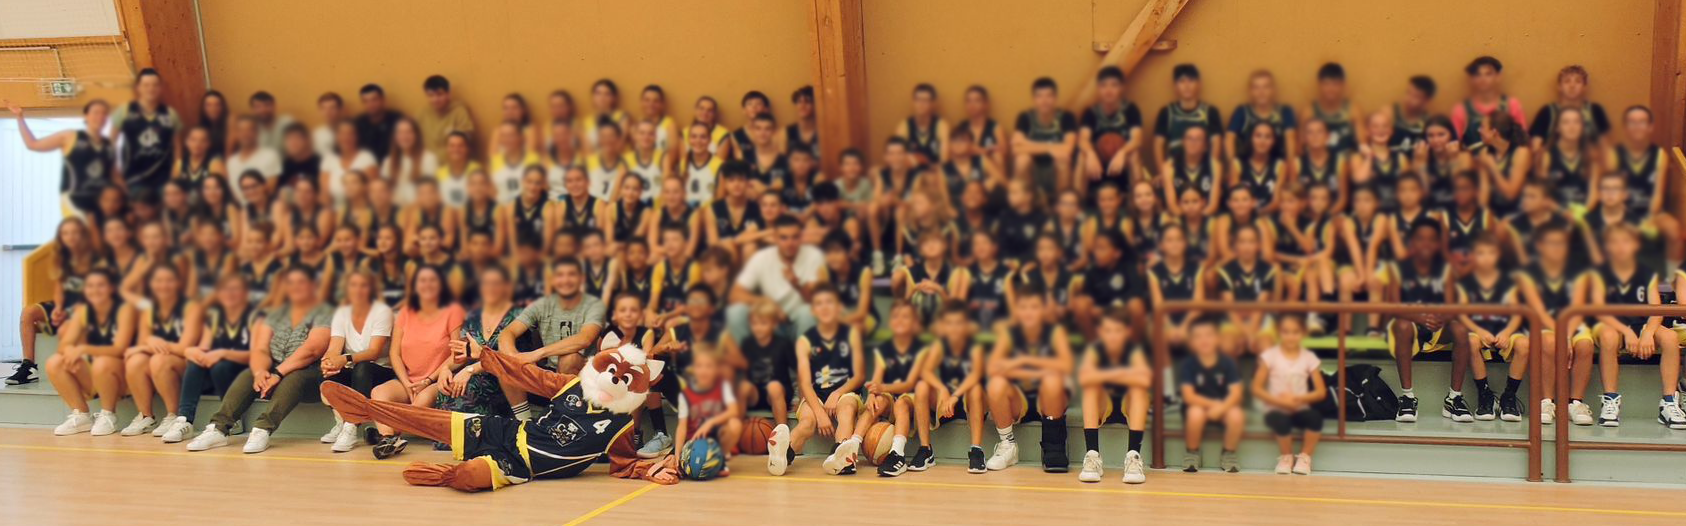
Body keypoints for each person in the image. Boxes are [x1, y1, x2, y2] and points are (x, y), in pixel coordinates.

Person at [185, 266, 333, 453]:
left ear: (313, 286)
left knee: (295, 377)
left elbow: (312, 350)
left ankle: (262, 429)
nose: (295, 287)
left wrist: (278, 373)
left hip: (311, 376)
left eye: (301, 282)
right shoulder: (277, 313)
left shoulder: (325, 312)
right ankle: (218, 429)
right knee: (248, 374)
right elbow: (261, 348)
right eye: (290, 283)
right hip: (276, 371)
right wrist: (260, 372)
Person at [1589, 224, 1685, 428]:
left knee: (1670, 338)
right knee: (1609, 337)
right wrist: (1627, 333)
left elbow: (1656, 309)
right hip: (1610, 323)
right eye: (1614, 242)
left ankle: (1668, 402)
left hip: (1640, 324)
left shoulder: (1647, 272)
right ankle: (1611, 400)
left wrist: (1648, 333)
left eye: (1626, 241)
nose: (1620, 247)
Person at [765, 286, 866, 477]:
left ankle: (842, 454)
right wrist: (820, 414)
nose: (825, 307)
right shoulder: (806, 341)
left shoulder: (851, 334)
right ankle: (781, 454)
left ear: (838, 307)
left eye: (829, 302)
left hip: (846, 391)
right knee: (807, 422)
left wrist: (837, 394)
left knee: (846, 410)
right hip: (816, 393)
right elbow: (804, 383)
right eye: (819, 304)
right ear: (813, 311)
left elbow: (859, 375)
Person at [366, 265, 465, 458]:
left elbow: (458, 355)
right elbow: (394, 354)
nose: (427, 285)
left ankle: (387, 434)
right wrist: (407, 383)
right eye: (422, 281)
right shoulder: (405, 312)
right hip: (409, 380)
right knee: (378, 393)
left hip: (438, 380)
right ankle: (388, 438)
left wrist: (428, 380)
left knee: (422, 400)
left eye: (432, 280)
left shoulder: (453, 311)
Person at [984, 285, 1074, 473]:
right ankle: (1008, 445)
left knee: (1052, 381)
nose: (1028, 313)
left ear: (1043, 310)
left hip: (1049, 400)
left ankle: (1054, 445)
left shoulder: (1055, 331)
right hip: (1020, 401)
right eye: (1023, 307)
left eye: (1034, 307)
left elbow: (1067, 366)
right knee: (996, 384)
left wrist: (1022, 362)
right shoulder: (1009, 333)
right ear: (1016, 310)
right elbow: (993, 367)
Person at [1388, 218, 1470, 423]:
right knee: (1403, 325)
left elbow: (1452, 306)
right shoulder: (1398, 268)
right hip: (1409, 322)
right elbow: (1392, 305)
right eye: (1420, 239)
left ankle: (1454, 398)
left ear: (1438, 244)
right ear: (1412, 242)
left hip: (1437, 324)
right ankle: (1407, 398)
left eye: (1431, 239)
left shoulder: (1445, 268)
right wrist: (1420, 317)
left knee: (1460, 329)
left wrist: (1442, 317)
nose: (1426, 244)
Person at [161, 275, 255, 442]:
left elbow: (258, 355)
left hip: (245, 374)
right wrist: (192, 352)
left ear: (246, 293)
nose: (229, 294)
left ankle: (233, 417)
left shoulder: (256, 317)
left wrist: (223, 353)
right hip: (216, 373)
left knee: (221, 365)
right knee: (196, 364)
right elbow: (204, 349)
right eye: (225, 290)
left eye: (235, 289)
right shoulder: (214, 317)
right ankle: (184, 420)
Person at [498, 258, 606, 401]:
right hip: (549, 372)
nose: (565, 280)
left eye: (571, 274)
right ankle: (524, 420)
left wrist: (536, 354)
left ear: (582, 279)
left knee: (569, 358)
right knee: (507, 358)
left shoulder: (595, 305)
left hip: (585, 374)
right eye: (560, 275)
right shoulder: (542, 304)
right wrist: (514, 357)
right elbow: (507, 332)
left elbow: (584, 339)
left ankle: (565, 413)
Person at [43, 269, 137, 436]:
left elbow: (119, 349)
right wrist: (71, 349)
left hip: (126, 377)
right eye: (90, 286)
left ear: (111, 288)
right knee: (55, 362)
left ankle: (108, 415)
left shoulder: (125, 309)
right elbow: (64, 345)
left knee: (103, 361)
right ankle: (81, 415)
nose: (95, 290)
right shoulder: (84, 311)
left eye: (101, 285)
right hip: (98, 375)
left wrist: (84, 349)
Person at [1517, 225, 1591, 425]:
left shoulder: (1578, 271)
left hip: (1571, 323)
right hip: (1541, 323)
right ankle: (1546, 401)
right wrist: (1561, 336)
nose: (1556, 248)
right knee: (1549, 342)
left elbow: (1577, 307)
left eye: (1561, 243)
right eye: (1550, 243)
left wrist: (1566, 335)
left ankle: (1575, 403)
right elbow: (1538, 309)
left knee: (1585, 345)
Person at [316, 269, 396, 452]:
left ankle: (352, 426)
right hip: (354, 368)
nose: (358, 290)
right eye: (353, 285)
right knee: (326, 375)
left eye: (364, 286)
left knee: (363, 368)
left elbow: (374, 352)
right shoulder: (342, 313)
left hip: (381, 370)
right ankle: (341, 420)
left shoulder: (382, 312)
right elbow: (334, 347)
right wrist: (328, 361)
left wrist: (344, 359)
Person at [119, 263, 202, 436]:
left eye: (169, 281)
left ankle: (173, 415)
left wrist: (153, 342)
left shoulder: (192, 307)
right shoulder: (149, 309)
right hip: (161, 360)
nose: (163, 285)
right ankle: (146, 416)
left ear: (179, 283)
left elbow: (185, 348)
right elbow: (142, 343)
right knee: (135, 361)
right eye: (158, 281)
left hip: (190, 364)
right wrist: (149, 340)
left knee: (158, 359)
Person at [12, 220, 97, 386]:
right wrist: (58, 307)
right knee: (29, 312)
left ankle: (77, 368)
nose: (70, 237)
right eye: (66, 233)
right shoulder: (63, 257)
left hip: (89, 307)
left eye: (75, 233)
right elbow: (60, 286)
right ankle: (29, 366)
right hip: (67, 304)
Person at [1456, 234, 1529, 421]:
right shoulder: (1466, 282)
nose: (1486, 257)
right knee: (1470, 341)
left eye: (1491, 253)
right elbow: (1462, 313)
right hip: (1479, 330)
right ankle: (1485, 395)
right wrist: (1479, 331)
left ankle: (1509, 396)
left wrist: (1507, 332)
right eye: (1481, 253)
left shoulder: (1508, 282)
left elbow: (1516, 313)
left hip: (1505, 330)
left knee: (1524, 344)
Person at [1075, 308, 1151, 484]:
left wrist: (1103, 374)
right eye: (1108, 331)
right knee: (1090, 388)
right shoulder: (1095, 349)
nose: (1113, 336)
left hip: (1129, 406)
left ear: (1128, 332)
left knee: (1139, 389)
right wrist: (1123, 373)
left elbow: (1144, 378)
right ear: (1100, 332)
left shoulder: (1134, 350)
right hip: (1103, 406)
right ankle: (1092, 457)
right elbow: (1084, 377)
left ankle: (1133, 458)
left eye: (1118, 331)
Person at [4, 99, 113, 217]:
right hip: (74, 202)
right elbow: (32, 144)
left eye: (104, 113)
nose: (100, 117)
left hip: (103, 204)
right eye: (96, 112)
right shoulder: (70, 136)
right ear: (86, 115)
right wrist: (20, 117)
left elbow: (114, 174)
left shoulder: (108, 144)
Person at [912, 301, 987, 472]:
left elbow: (975, 375)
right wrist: (942, 388)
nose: (954, 328)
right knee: (922, 386)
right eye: (950, 323)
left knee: (975, 388)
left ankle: (976, 450)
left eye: (959, 323)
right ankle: (926, 450)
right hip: (945, 404)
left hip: (968, 402)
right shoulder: (941, 345)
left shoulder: (975, 346)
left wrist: (955, 396)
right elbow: (926, 371)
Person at [1252, 313, 1325, 476]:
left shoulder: (1309, 357)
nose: (1290, 336)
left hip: (1299, 408)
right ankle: (1286, 457)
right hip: (1275, 408)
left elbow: (1320, 392)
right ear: (1279, 333)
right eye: (1286, 332)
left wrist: (1298, 399)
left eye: (1295, 332)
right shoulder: (1270, 356)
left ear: (1303, 334)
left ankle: (1305, 457)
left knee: (1315, 418)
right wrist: (1280, 401)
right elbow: (1257, 388)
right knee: (1281, 420)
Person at [727, 215, 822, 340]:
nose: (790, 243)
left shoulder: (813, 255)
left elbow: (817, 302)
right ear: (775, 238)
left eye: (795, 237)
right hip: (769, 326)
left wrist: (797, 284)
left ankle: (805, 357)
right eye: (784, 238)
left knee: (806, 312)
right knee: (735, 312)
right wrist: (767, 303)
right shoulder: (762, 257)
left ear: (801, 237)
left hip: (798, 324)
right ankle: (748, 357)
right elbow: (734, 294)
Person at [1609, 106, 1681, 263]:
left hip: (1651, 213)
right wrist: (1629, 220)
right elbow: (1611, 194)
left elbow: (1658, 195)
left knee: (1674, 230)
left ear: (1650, 127)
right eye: (1632, 122)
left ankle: (1669, 279)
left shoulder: (1660, 155)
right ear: (1626, 127)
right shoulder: (1614, 155)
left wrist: (1648, 219)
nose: (1637, 127)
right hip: (1621, 212)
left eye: (1642, 122)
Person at [861, 301, 926, 476]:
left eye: (906, 317)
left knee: (900, 404)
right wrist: (872, 394)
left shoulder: (920, 349)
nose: (900, 320)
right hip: (891, 399)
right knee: (876, 401)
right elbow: (876, 378)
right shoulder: (883, 349)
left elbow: (910, 383)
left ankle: (897, 454)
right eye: (896, 316)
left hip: (913, 400)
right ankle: (851, 445)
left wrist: (881, 387)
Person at [1177, 319, 1242, 473]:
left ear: (1218, 339)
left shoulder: (1227, 363)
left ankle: (1229, 453)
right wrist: (1214, 405)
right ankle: (1192, 452)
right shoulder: (1189, 364)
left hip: (1223, 406)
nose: (1204, 340)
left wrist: (1222, 407)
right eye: (1198, 336)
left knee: (1236, 415)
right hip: (1198, 406)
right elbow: (1189, 396)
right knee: (1195, 413)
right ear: (1191, 342)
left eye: (1209, 335)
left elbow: (1236, 393)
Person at [113, 69, 182, 200]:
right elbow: (110, 144)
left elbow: (178, 147)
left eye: (155, 85)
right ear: (138, 87)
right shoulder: (124, 111)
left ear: (161, 88)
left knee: (166, 218)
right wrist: (115, 173)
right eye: (146, 85)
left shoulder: (170, 114)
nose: (151, 89)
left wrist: (176, 172)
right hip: (134, 179)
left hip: (164, 178)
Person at [723, 300, 793, 428]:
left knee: (774, 386)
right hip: (756, 393)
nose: (758, 327)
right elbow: (743, 371)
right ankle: (735, 431)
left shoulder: (783, 344)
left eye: (763, 323)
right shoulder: (748, 343)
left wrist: (801, 400)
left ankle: (782, 435)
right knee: (743, 386)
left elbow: (798, 370)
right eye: (754, 323)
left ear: (774, 324)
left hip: (778, 394)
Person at [674, 343, 742, 471]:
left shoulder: (723, 387)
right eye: (699, 366)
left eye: (709, 366)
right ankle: (691, 461)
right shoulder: (685, 395)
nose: (704, 370)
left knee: (735, 424)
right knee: (673, 466)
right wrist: (677, 453)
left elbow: (734, 411)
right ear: (693, 369)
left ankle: (719, 460)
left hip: (714, 439)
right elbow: (682, 426)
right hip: (692, 441)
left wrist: (710, 422)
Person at [1217, 224, 1282, 356]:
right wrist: (1244, 333)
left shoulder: (1267, 270)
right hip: (1234, 320)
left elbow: (1260, 307)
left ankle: (1259, 377)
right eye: (1242, 241)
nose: (1247, 246)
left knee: (1267, 350)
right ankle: (1233, 377)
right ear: (1235, 245)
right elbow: (1230, 308)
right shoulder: (1225, 270)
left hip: (1260, 320)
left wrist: (1250, 334)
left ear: (1258, 245)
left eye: (1251, 241)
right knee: (1227, 347)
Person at [1012, 77, 1079, 195]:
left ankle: (1060, 208)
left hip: (1056, 170)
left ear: (1055, 98)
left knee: (1062, 159)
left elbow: (1068, 148)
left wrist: (1029, 144)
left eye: (1049, 96)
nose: (1044, 100)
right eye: (1040, 96)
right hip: (1034, 170)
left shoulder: (1066, 117)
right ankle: (1028, 205)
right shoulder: (1025, 118)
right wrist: (1051, 148)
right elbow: (1016, 149)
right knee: (1022, 160)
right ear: (1034, 99)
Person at [1153, 64, 1223, 169]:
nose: (1186, 86)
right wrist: (1162, 172)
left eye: (1191, 80)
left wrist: (1211, 171)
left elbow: (1216, 142)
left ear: (1198, 84)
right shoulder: (1167, 112)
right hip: (1174, 169)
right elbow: (1158, 145)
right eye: (1181, 81)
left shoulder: (1210, 112)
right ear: (1175, 86)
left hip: (1203, 170)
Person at [1530, 65, 1611, 153]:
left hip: (1588, 163)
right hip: (1554, 163)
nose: (1572, 86)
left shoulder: (1595, 110)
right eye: (1567, 81)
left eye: (1578, 81)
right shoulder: (1547, 112)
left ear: (1585, 87)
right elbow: (1536, 147)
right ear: (1559, 86)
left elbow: (1604, 147)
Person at [1451, 56, 1526, 150]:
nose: (1483, 79)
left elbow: (1523, 140)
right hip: (1473, 162)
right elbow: (1454, 144)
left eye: (1488, 74)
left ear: (1498, 77)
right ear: (1472, 79)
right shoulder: (1461, 109)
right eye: (1478, 74)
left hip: (1507, 161)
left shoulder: (1512, 105)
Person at [1228, 70, 1298, 162]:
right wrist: (1232, 164)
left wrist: (1290, 166)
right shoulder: (1242, 112)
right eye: (1256, 88)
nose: (1261, 92)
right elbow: (1229, 138)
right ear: (1250, 91)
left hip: (1279, 167)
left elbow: (1291, 138)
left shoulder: (1285, 111)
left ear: (1273, 90)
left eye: (1266, 87)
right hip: (1246, 167)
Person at [1304, 63, 1365, 155]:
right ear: (1319, 85)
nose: (1330, 89)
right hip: (1319, 162)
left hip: (1347, 162)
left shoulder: (1353, 110)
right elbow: (1302, 145)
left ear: (1342, 85)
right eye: (1326, 84)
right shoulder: (1309, 111)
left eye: (1335, 84)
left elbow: (1362, 144)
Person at [320, 120, 378, 207]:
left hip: (362, 209)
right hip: (335, 211)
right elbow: (325, 195)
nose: (346, 138)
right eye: (342, 133)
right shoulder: (329, 159)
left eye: (350, 134)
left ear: (357, 136)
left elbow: (370, 192)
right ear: (336, 137)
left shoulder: (366, 158)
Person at [383, 118, 440, 205]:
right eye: (400, 133)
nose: (404, 136)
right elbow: (384, 192)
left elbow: (431, 193)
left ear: (416, 135)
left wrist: (410, 211)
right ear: (395, 136)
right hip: (395, 211)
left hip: (421, 210)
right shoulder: (388, 162)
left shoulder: (429, 159)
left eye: (409, 132)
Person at [416, 75, 476, 157]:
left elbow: (466, 139)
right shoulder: (423, 114)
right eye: (430, 95)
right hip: (427, 163)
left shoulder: (459, 112)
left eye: (439, 94)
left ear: (448, 94)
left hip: (452, 164)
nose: (435, 99)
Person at [896, 84, 948, 166]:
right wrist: (918, 159)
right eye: (918, 100)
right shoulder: (905, 126)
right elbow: (897, 158)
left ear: (932, 103)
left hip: (935, 173)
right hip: (911, 173)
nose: (921, 104)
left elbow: (944, 161)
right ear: (913, 102)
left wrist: (924, 161)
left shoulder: (941, 125)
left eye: (925, 100)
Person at [225, 116, 277, 193]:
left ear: (257, 132)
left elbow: (270, 190)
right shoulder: (232, 162)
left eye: (249, 130)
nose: (245, 134)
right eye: (241, 130)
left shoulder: (270, 156)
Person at [354, 84, 403, 161]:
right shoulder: (358, 123)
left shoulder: (397, 120)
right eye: (366, 101)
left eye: (374, 100)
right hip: (366, 166)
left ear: (382, 99)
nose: (370, 104)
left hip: (394, 164)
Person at [1392, 75, 1437, 153]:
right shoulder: (1392, 113)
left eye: (1416, 96)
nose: (1408, 99)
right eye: (1408, 92)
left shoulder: (1429, 122)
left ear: (1426, 101)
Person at [784, 86, 819, 158]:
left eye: (807, 101)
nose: (802, 105)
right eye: (799, 101)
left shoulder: (824, 132)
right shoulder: (786, 133)